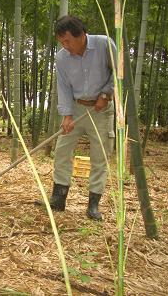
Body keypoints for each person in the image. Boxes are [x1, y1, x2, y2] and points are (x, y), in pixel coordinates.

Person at [50, 15, 116, 221]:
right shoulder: (61, 57)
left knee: (100, 156)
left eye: (67, 40)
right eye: (61, 42)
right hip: (77, 109)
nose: (65, 45)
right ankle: (58, 199)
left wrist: (106, 94)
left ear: (82, 35)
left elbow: (120, 72)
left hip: (101, 111)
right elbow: (63, 87)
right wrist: (67, 115)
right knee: (61, 150)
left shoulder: (104, 44)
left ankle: (93, 205)